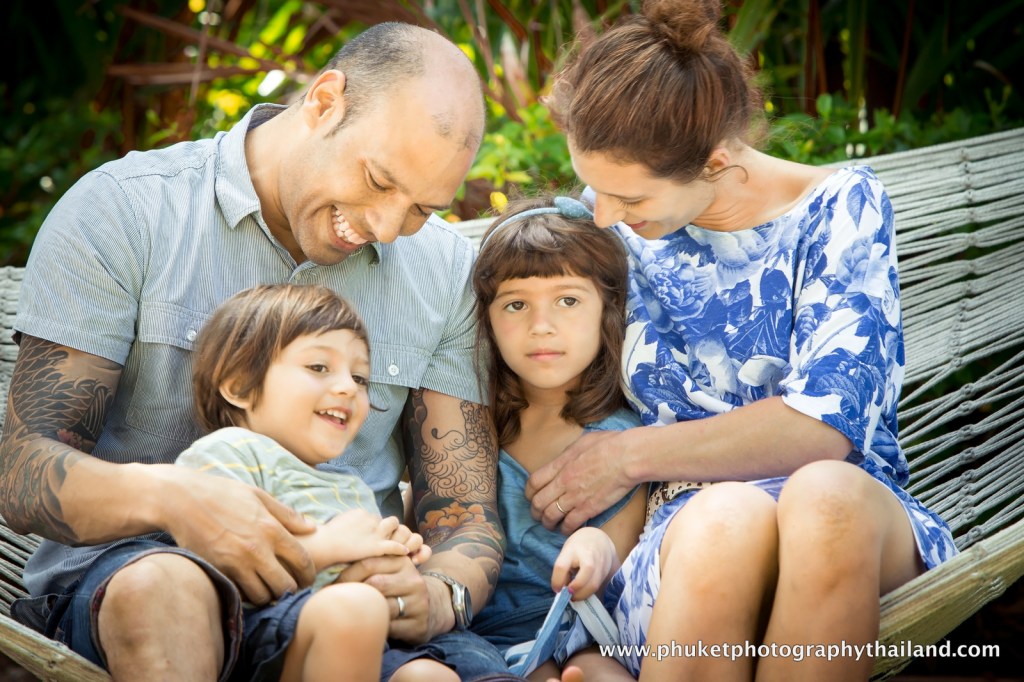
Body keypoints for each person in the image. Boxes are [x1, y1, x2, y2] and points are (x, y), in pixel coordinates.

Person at [0, 22, 509, 682]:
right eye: (379, 181)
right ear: (324, 101)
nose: (387, 227)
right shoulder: (126, 211)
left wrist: (437, 594)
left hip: (348, 606)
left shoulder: (445, 272)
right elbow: (22, 469)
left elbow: (462, 512)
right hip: (136, 574)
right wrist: (175, 498)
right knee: (162, 589)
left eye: (421, 209)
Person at [526, 1, 960, 680]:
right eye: (595, 187)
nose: (604, 215)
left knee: (826, 494)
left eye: (631, 200)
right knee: (724, 519)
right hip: (691, 535)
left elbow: (823, 427)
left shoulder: (841, 207)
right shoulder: (607, 229)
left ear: (716, 162)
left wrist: (627, 457)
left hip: (854, 527)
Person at [176, 282, 464, 682]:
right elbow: (211, 568)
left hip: (364, 639)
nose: (348, 387)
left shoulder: (349, 486)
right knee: (354, 609)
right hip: (262, 633)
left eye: (360, 377)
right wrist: (330, 546)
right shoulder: (226, 453)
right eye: (318, 367)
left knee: (431, 676)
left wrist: (394, 557)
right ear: (240, 385)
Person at [468, 197, 646, 682]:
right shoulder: (468, 427)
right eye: (516, 304)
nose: (541, 326)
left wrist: (593, 543)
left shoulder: (624, 437)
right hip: (471, 638)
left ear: (608, 310)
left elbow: (618, 550)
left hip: (583, 628)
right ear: (487, 319)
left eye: (568, 301)